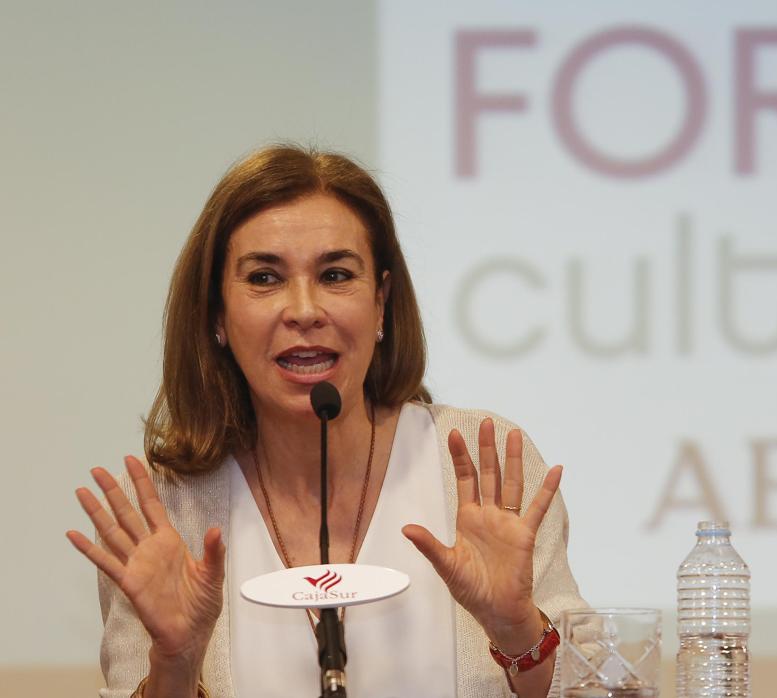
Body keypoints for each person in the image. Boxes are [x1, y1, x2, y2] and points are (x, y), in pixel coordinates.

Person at [65, 145, 585, 698]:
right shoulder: (164, 508)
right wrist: (177, 661)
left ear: (381, 303)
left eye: (335, 275)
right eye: (265, 278)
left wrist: (516, 628)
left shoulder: (482, 464)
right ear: (217, 314)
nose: (304, 310)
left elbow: (591, 686)